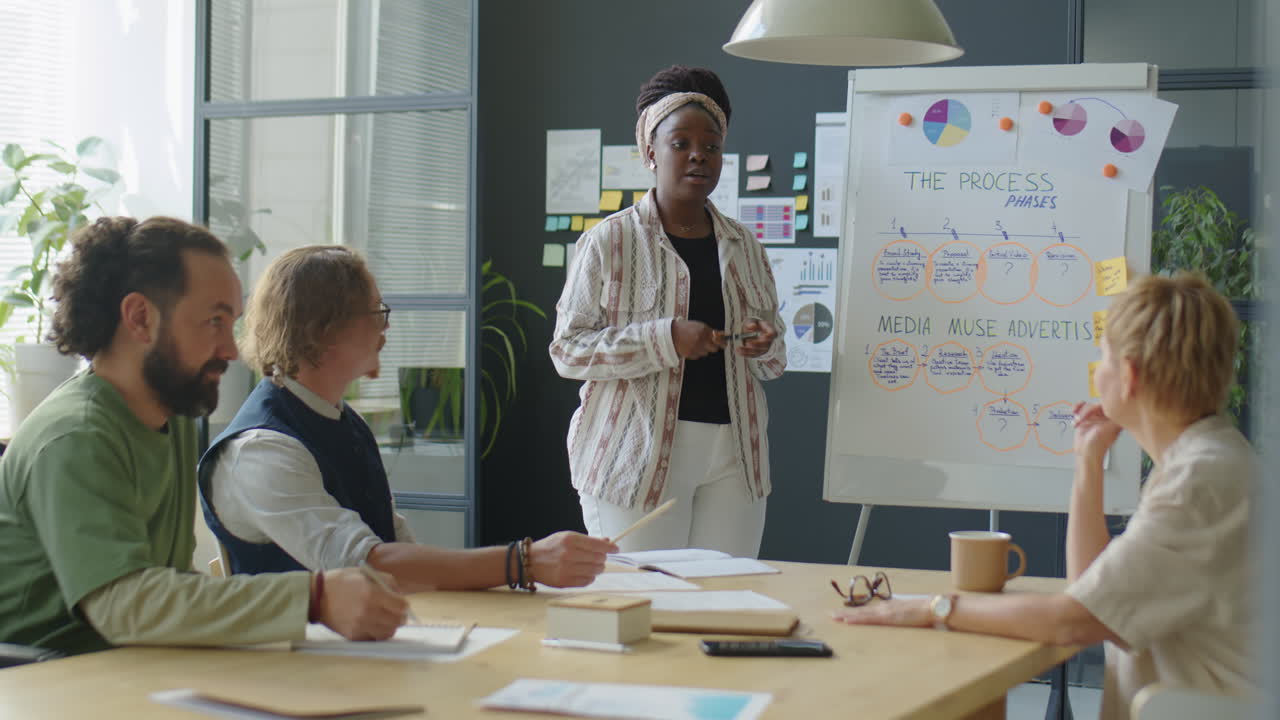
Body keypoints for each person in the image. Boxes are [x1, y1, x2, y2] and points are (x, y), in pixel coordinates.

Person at [834, 272, 1256, 720]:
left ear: (1129, 376)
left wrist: (934, 608)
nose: (1098, 373)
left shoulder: (1199, 481)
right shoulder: (1211, 459)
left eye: (1103, 358)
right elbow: (1089, 591)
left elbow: (1071, 623)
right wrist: (1088, 463)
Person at [0, 217, 406, 656]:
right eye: (214, 321)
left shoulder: (169, 420)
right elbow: (126, 606)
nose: (232, 351)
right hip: (44, 681)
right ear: (139, 319)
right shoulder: (74, 437)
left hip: (132, 667)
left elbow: (164, 591)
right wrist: (313, 598)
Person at [199, 246, 616, 591]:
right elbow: (369, 564)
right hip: (295, 668)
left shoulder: (340, 420)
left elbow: (398, 548)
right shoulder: (262, 451)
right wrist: (524, 562)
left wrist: (517, 566)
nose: (386, 328)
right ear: (323, 331)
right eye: (375, 312)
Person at [549, 66, 786, 557]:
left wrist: (766, 342)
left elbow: (772, 362)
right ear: (651, 152)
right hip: (635, 455)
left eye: (712, 145)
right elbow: (568, 351)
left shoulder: (745, 246)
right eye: (681, 143)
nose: (699, 154)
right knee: (646, 605)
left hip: (735, 456)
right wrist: (665, 339)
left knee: (726, 603)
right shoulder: (608, 241)